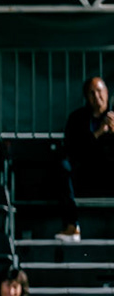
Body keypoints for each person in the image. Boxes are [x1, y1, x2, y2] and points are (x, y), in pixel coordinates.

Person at [58, 76, 114, 242]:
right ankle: (72, 226)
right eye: (91, 93)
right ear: (86, 97)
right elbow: (74, 150)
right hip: (86, 172)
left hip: (110, 172)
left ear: (107, 92)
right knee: (63, 165)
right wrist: (99, 132)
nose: (97, 96)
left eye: (99, 91)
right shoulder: (77, 118)